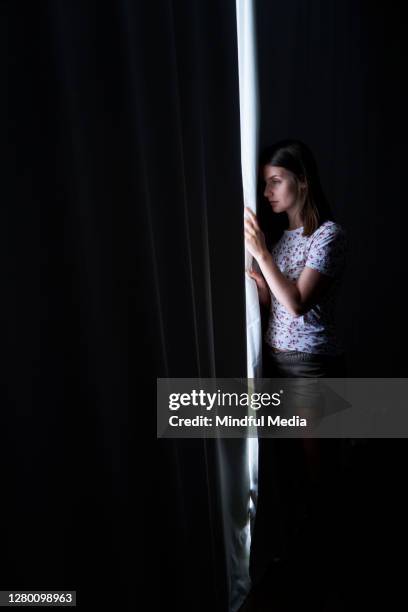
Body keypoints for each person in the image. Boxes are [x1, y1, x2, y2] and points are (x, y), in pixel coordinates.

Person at [243, 139, 350, 591]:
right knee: (287, 471)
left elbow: (299, 302)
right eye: (265, 182)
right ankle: (301, 559)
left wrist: (263, 256)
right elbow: (276, 304)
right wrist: (258, 283)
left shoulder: (328, 235)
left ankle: (329, 568)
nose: (268, 191)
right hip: (277, 362)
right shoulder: (284, 237)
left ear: (301, 181)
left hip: (311, 367)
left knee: (316, 474)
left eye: (276, 181)